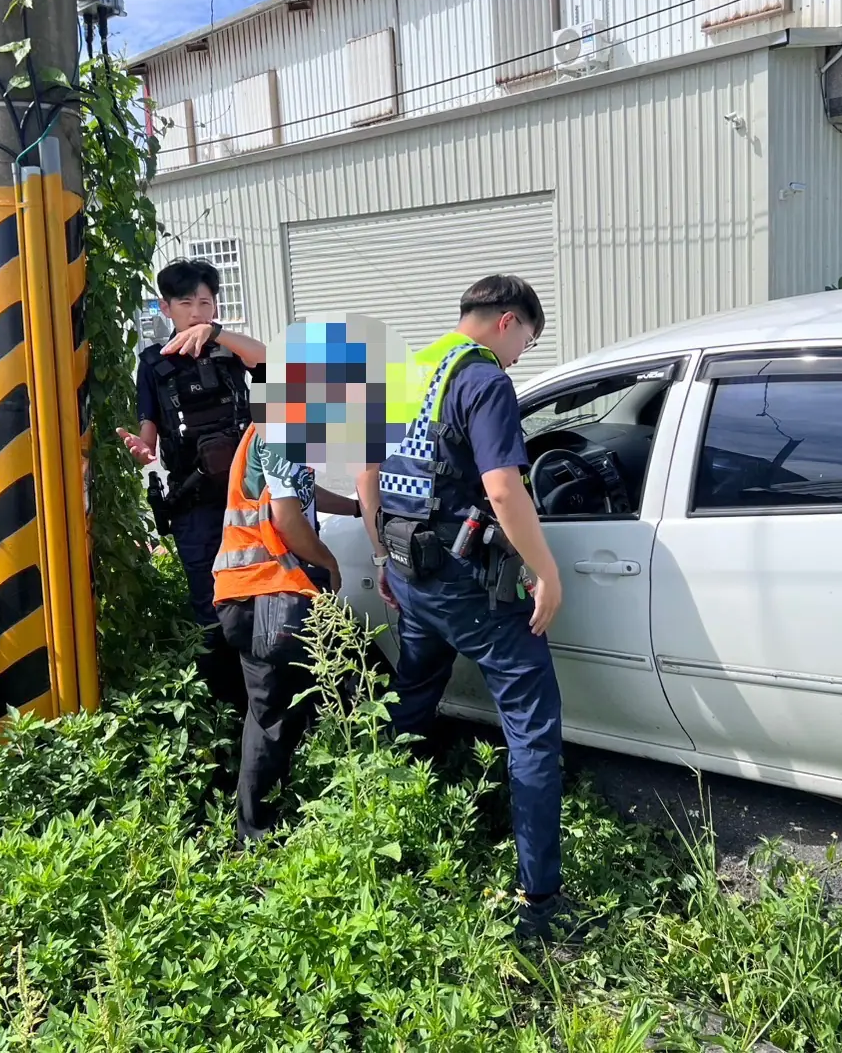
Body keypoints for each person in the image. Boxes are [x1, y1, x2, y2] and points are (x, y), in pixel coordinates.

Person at [354, 275, 583, 942]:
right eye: (525, 345)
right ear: (507, 321)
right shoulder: (482, 380)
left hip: (409, 565)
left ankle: (386, 818)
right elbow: (504, 490)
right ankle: (539, 899)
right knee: (531, 724)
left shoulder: (410, 369)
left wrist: (381, 558)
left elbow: (368, 474)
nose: (519, 360)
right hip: (462, 578)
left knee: (416, 687)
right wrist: (546, 574)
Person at [118, 259, 266, 704]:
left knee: (261, 591)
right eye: (186, 302)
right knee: (210, 604)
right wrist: (142, 449)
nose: (198, 311)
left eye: (206, 301)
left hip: (248, 499)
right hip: (193, 501)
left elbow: (268, 359)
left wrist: (218, 335)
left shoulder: (232, 351)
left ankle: (267, 693)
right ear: (167, 308)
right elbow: (149, 427)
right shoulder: (152, 363)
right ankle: (226, 704)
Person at [213, 421, 361, 845]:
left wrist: (355, 508)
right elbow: (288, 520)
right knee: (272, 716)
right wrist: (330, 563)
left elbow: (301, 494)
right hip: (261, 593)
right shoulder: (281, 427)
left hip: (263, 593)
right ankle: (253, 837)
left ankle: (291, 809)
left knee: (299, 702)